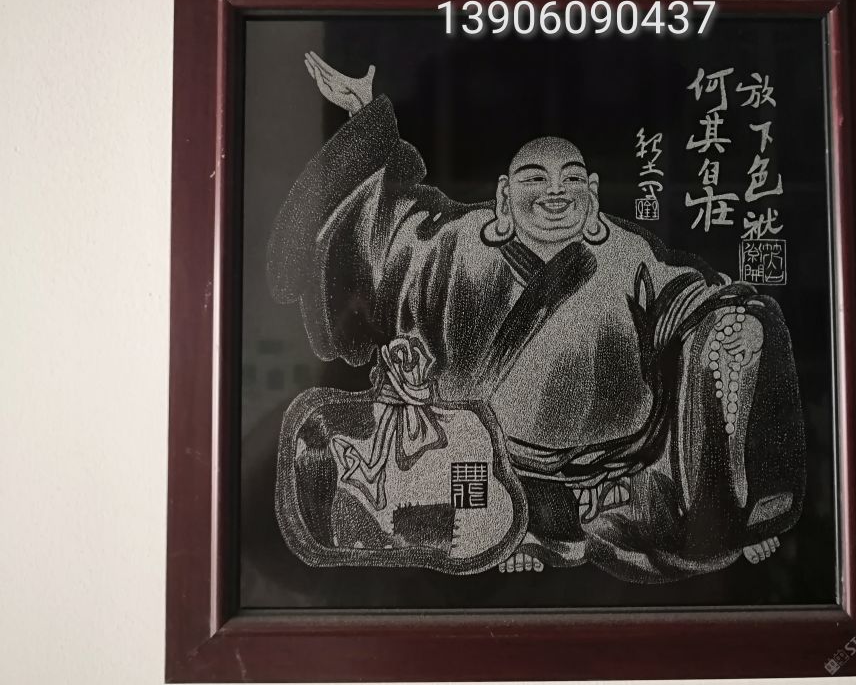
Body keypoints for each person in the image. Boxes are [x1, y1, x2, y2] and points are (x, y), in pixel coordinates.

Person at [266, 51, 806, 583]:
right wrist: (365, 120)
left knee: (690, 477)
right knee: (474, 500)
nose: (555, 191)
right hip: (493, 461)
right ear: (503, 197)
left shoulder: (626, 253)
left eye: (571, 179)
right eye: (534, 178)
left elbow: (680, 302)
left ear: (593, 195)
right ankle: (513, 534)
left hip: (630, 462)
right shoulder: (454, 246)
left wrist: (716, 318)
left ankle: (734, 509)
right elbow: (381, 231)